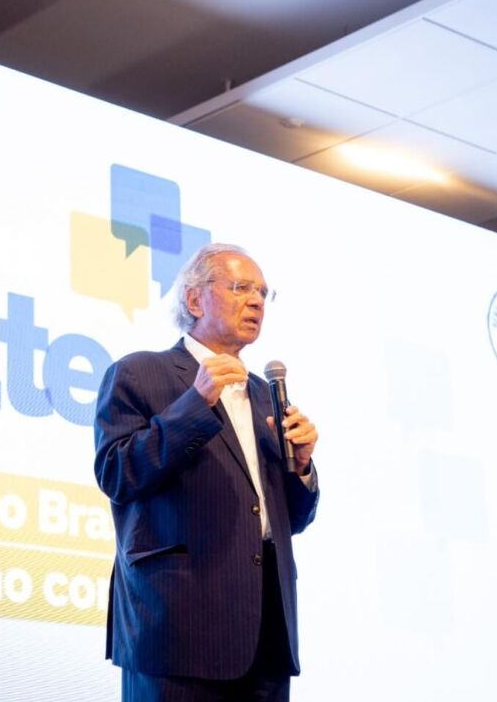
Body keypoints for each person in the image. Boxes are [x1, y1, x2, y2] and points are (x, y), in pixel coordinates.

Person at [94, 243, 320, 701]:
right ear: (195, 299)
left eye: (263, 293)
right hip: (177, 632)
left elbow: (287, 521)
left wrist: (300, 468)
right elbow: (117, 473)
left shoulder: (265, 395)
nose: (256, 301)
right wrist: (195, 404)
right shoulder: (139, 373)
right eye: (241, 288)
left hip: (266, 637)